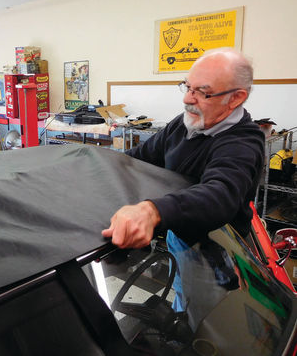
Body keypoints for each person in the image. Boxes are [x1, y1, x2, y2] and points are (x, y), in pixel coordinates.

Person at [101, 48, 265, 317]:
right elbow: (139, 159)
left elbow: (219, 194)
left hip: (214, 251)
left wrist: (152, 210)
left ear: (236, 98)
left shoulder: (242, 143)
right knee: (182, 292)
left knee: (204, 318)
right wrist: (99, 163)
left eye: (202, 92)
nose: (188, 99)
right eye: (187, 87)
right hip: (180, 234)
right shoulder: (184, 124)